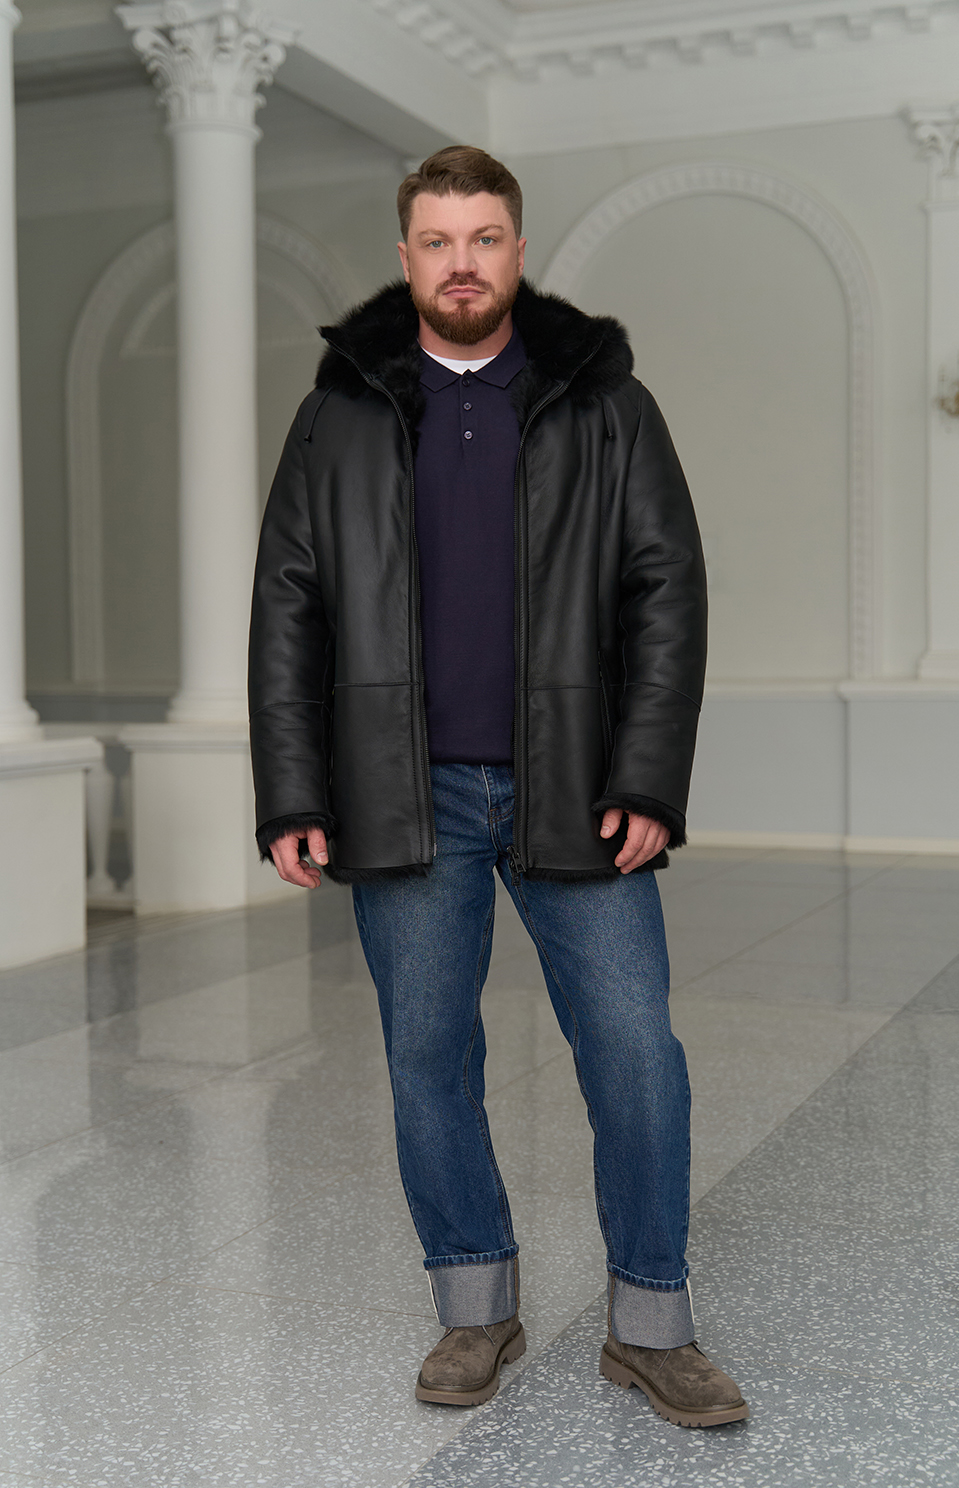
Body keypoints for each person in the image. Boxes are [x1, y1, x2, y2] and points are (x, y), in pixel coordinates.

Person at [248, 146, 747, 1429]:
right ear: (405, 256)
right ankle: (476, 1309)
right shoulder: (339, 413)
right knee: (428, 1058)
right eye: (437, 240)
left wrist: (648, 777)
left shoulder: (604, 403)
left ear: (517, 251)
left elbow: (666, 591)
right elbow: (289, 604)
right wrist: (294, 794)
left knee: (635, 1053)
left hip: (575, 789)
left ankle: (651, 1327)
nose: (460, 263)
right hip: (400, 794)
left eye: (483, 238)